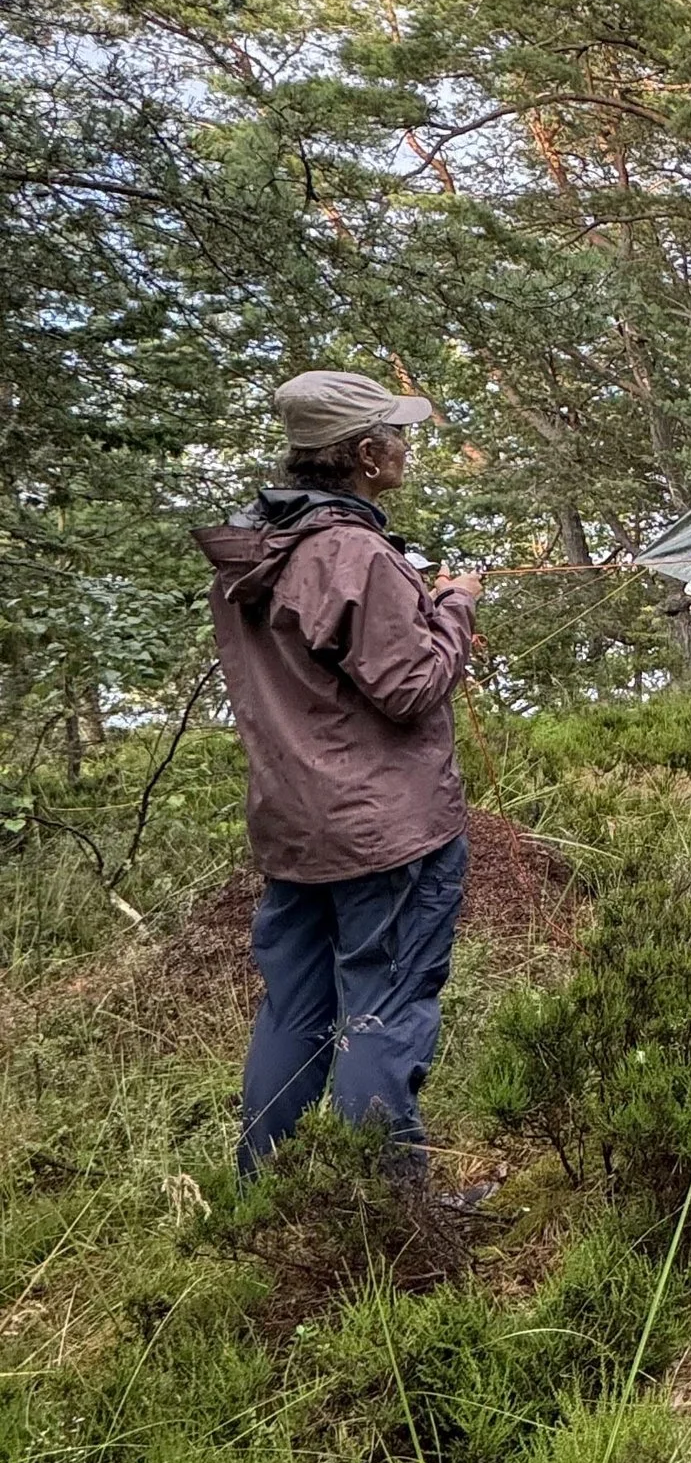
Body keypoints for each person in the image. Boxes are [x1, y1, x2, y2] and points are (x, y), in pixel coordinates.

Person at [194, 369, 483, 1191]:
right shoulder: (355, 553)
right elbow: (410, 686)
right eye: (396, 433)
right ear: (364, 453)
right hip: (384, 831)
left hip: (294, 827)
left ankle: (268, 1204)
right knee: (382, 1013)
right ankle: (390, 1216)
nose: (405, 445)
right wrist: (456, 606)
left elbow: (330, 671)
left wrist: (419, 615)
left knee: (294, 1012)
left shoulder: (256, 551)